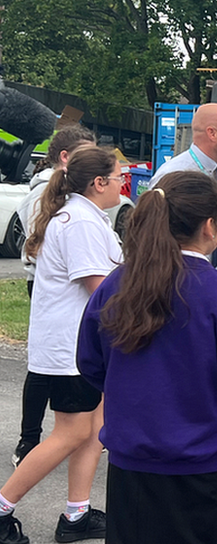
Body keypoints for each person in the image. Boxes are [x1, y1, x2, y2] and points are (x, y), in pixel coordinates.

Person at [76, 171, 217, 544]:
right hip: (197, 468)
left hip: (129, 465)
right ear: (210, 226)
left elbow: (90, 363)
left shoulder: (117, 285)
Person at [0, 147, 124, 544]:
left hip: (85, 346)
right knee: (71, 433)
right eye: (119, 175)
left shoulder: (89, 217)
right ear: (98, 183)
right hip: (71, 349)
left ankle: (77, 514)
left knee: (94, 431)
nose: (124, 182)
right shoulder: (80, 223)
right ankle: (1, 508)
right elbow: (101, 291)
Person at [149, 102, 217, 493]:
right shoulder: (172, 175)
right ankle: (166, 450)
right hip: (174, 293)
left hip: (212, 293)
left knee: (212, 379)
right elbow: (151, 236)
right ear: (211, 134)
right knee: (180, 376)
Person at [11, 125, 97, 469]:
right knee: (47, 365)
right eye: (85, 154)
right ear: (65, 158)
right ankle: (29, 439)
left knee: (54, 365)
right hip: (52, 285)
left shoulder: (73, 198)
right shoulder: (42, 195)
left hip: (63, 283)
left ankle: (75, 434)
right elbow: (45, 246)